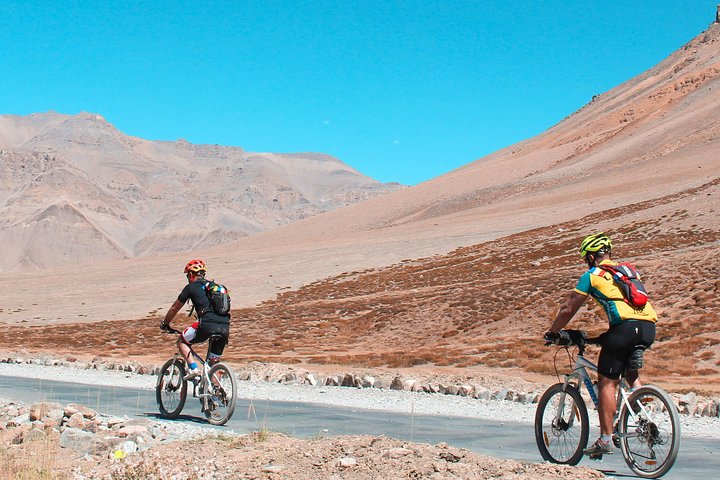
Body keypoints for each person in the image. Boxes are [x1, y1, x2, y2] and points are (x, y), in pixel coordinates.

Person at [545, 233, 657, 457]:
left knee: (607, 382)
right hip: (648, 327)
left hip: (624, 328)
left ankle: (605, 439)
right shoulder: (628, 272)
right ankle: (640, 409)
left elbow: (569, 308)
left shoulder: (593, 274)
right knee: (628, 369)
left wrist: (553, 332)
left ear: (590, 257)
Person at [160, 259, 230, 379]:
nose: (187, 278)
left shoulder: (191, 287)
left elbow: (174, 309)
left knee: (182, 341)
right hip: (224, 327)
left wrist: (165, 323)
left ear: (191, 275)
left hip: (206, 325)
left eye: (187, 275)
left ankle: (193, 368)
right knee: (213, 364)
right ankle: (217, 394)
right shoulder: (213, 287)